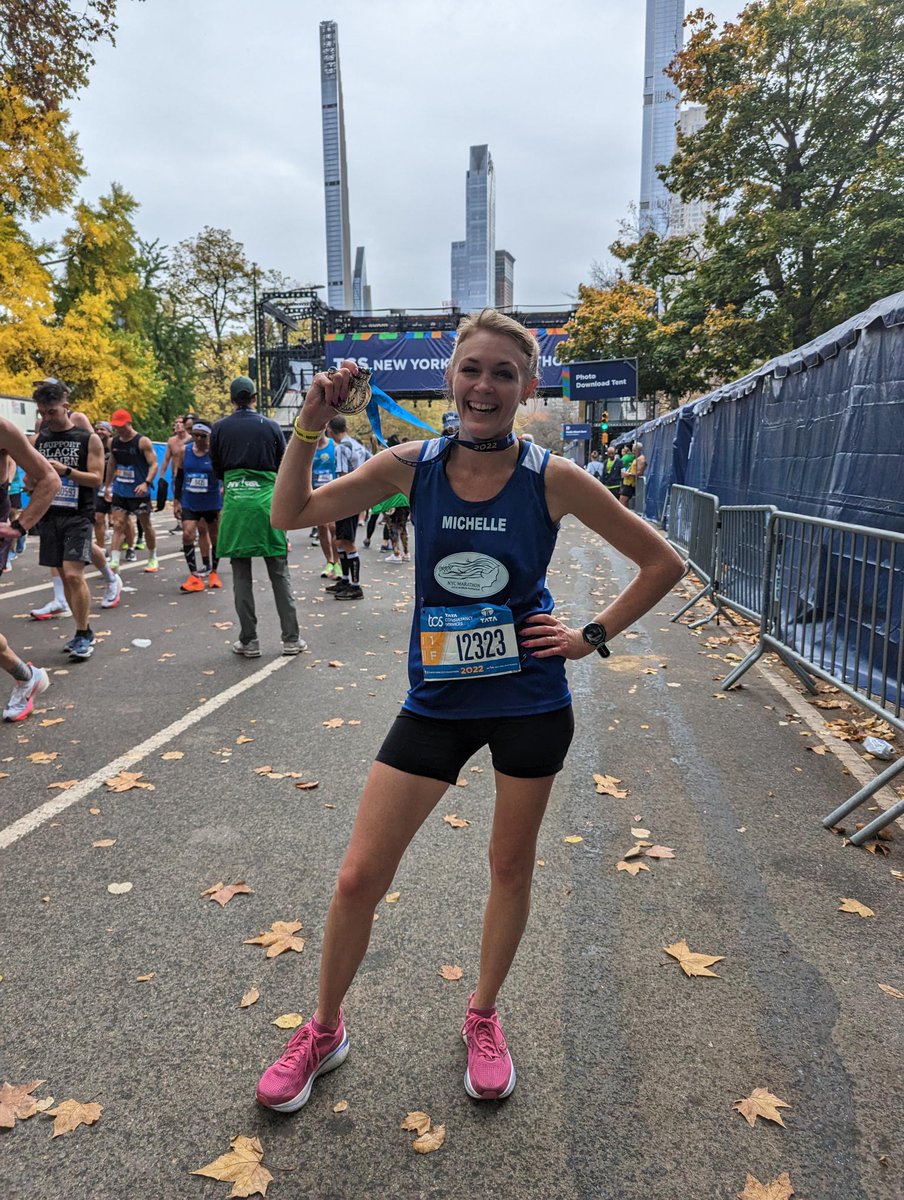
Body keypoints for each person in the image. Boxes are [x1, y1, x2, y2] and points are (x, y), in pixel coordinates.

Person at [259, 308, 685, 1112]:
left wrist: (591, 635)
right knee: (357, 878)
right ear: (450, 378)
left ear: (527, 388)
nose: (484, 386)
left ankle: (483, 1017)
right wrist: (308, 431)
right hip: (439, 704)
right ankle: (324, 1029)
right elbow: (291, 516)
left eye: (503, 374)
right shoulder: (409, 464)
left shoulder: (552, 476)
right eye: (472, 370)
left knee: (509, 868)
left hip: (529, 701)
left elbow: (663, 562)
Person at [209, 377, 305, 657]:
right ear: (254, 397)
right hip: (267, 504)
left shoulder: (219, 429)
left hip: (236, 504)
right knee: (279, 572)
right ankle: (291, 638)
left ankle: (249, 641)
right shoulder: (272, 426)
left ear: (231, 399)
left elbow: (217, 469)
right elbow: (284, 466)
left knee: (241, 576)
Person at [31, 381, 105, 660]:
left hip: (78, 516)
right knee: (64, 576)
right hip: (50, 516)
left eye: (51, 412)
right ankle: (82, 631)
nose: (46, 418)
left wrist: (66, 470)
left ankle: (83, 632)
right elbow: (30, 478)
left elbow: (96, 478)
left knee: (74, 574)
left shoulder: (88, 439)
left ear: (66, 407)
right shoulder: (40, 440)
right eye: (42, 413)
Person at [0, 417, 60, 719]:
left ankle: (26, 677)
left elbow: (49, 479)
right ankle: (26, 676)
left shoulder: (2, 429)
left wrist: (19, 527)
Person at [104, 409, 159, 571]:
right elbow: (112, 464)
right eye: (116, 427)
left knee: (145, 524)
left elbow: (154, 464)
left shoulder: (142, 442)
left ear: (130, 423)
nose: (120, 429)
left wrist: (146, 483)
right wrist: (107, 486)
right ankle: (114, 561)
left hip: (139, 492)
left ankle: (152, 557)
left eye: (122, 426)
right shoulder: (113, 442)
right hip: (121, 490)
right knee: (118, 524)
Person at [325, 415, 368, 600]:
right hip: (357, 496)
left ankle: (356, 586)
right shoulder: (357, 445)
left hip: (347, 498)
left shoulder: (341, 448)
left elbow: (342, 475)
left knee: (347, 542)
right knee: (340, 540)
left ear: (329, 430)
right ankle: (345, 578)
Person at [177, 422, 223, 592]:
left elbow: (224, 473)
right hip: (190, 500)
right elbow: (179, 476)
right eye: (195, 435)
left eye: (202, 436)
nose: (198, 439)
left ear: (209, 437)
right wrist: (176, 501)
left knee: (214, 535)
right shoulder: (184, 451)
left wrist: (224, 489)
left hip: (211, 500)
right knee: (188, 534)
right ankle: (194, 576)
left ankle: (214, 572)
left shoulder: (215, 453)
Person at [311, 430, 340, 579]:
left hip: (333, 492)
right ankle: (329, 561)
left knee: (334, 528)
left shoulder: (334, 445)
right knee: (322, 528)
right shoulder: (309, 448)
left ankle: (337, 562)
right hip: (316, 493)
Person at [619, 441, 646, 509]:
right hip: (628, 482)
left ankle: (625, 516)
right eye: (633, 450)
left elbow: (640, 472)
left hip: (631, 483)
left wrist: (629, 474)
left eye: (634, 450)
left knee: (623, 500)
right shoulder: (636, 458)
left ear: (638, 450)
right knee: (623, 500)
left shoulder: (641, 459)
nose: (633, 452)